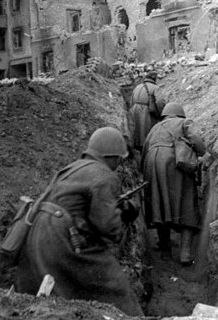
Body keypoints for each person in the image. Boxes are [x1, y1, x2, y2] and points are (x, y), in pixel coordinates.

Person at [16, 127, 143, 316]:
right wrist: (123, 213)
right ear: (111, 156)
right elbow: (108, 227)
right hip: (62, 238)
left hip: (37, 233)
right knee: (115, 286)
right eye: (118, 158)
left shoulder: (72, 167)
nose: (118, 163)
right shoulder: (105, 176)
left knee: (54, 297)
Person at [141, 103, 206, 266]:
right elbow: (198, 142)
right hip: (174, 162)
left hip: (151, 163)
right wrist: (200, 152)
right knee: (187, 205)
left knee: (159, 206)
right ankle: (185, 254)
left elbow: (143, 152)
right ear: (180, 114)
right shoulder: (184, 123)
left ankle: (165, 249)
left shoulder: (154, 128)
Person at [128, 71, 166, 153]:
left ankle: (134, 151)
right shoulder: (155, 88)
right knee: (146, 135)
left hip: (133, 110)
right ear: (154, 79)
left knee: (136, 134)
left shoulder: (137, 87)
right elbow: (160, 102)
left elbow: (130, 101)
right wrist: (161, 114)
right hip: (145, 111)